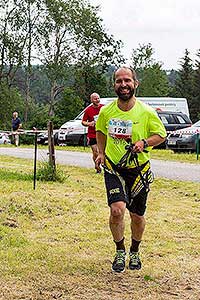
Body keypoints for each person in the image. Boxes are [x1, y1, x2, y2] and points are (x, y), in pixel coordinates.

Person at [95, 66, 167, 273]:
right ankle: (120, 250)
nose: (123, 85)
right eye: (119, 81)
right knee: (117, 210)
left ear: (135, 84)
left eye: (127, 81)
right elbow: (100, 130)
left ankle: (135, 251)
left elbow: (161, 135)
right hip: (114, 167)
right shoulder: (106, 111)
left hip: (139, 169)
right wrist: (100, 152)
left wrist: (144, 142)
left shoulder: (146, 111)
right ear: (114, 85)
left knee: (136, 215)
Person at [82, 93, 104, 173]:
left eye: (98, 98)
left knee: (103, 151)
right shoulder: (88, 110)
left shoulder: (103, 108)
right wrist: (89, 123)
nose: (97, 100)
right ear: (91, 100)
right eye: (95, 99)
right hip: (92, 134)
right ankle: (97, 166)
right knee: (95, 152)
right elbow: (83, 122)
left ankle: (104, 166)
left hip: (102, 133)